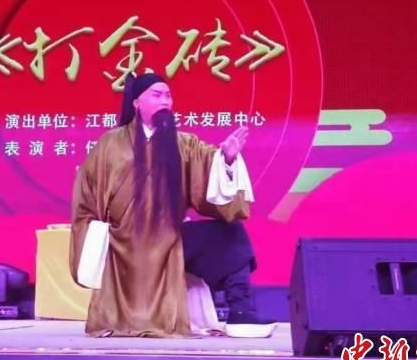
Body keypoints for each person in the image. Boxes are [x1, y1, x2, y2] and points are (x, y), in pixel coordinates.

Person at [69, 72, 274, 338]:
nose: (165, 101)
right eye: (156, 95)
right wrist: (97, 237)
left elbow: (208, 175)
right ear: (136, 103)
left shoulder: (183, 144)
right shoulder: (110, 144)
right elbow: (86, 198)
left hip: (170, 237)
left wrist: (226, 159)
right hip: (124, 243)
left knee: (230, 234)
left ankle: (241, 311)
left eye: (168, 96)